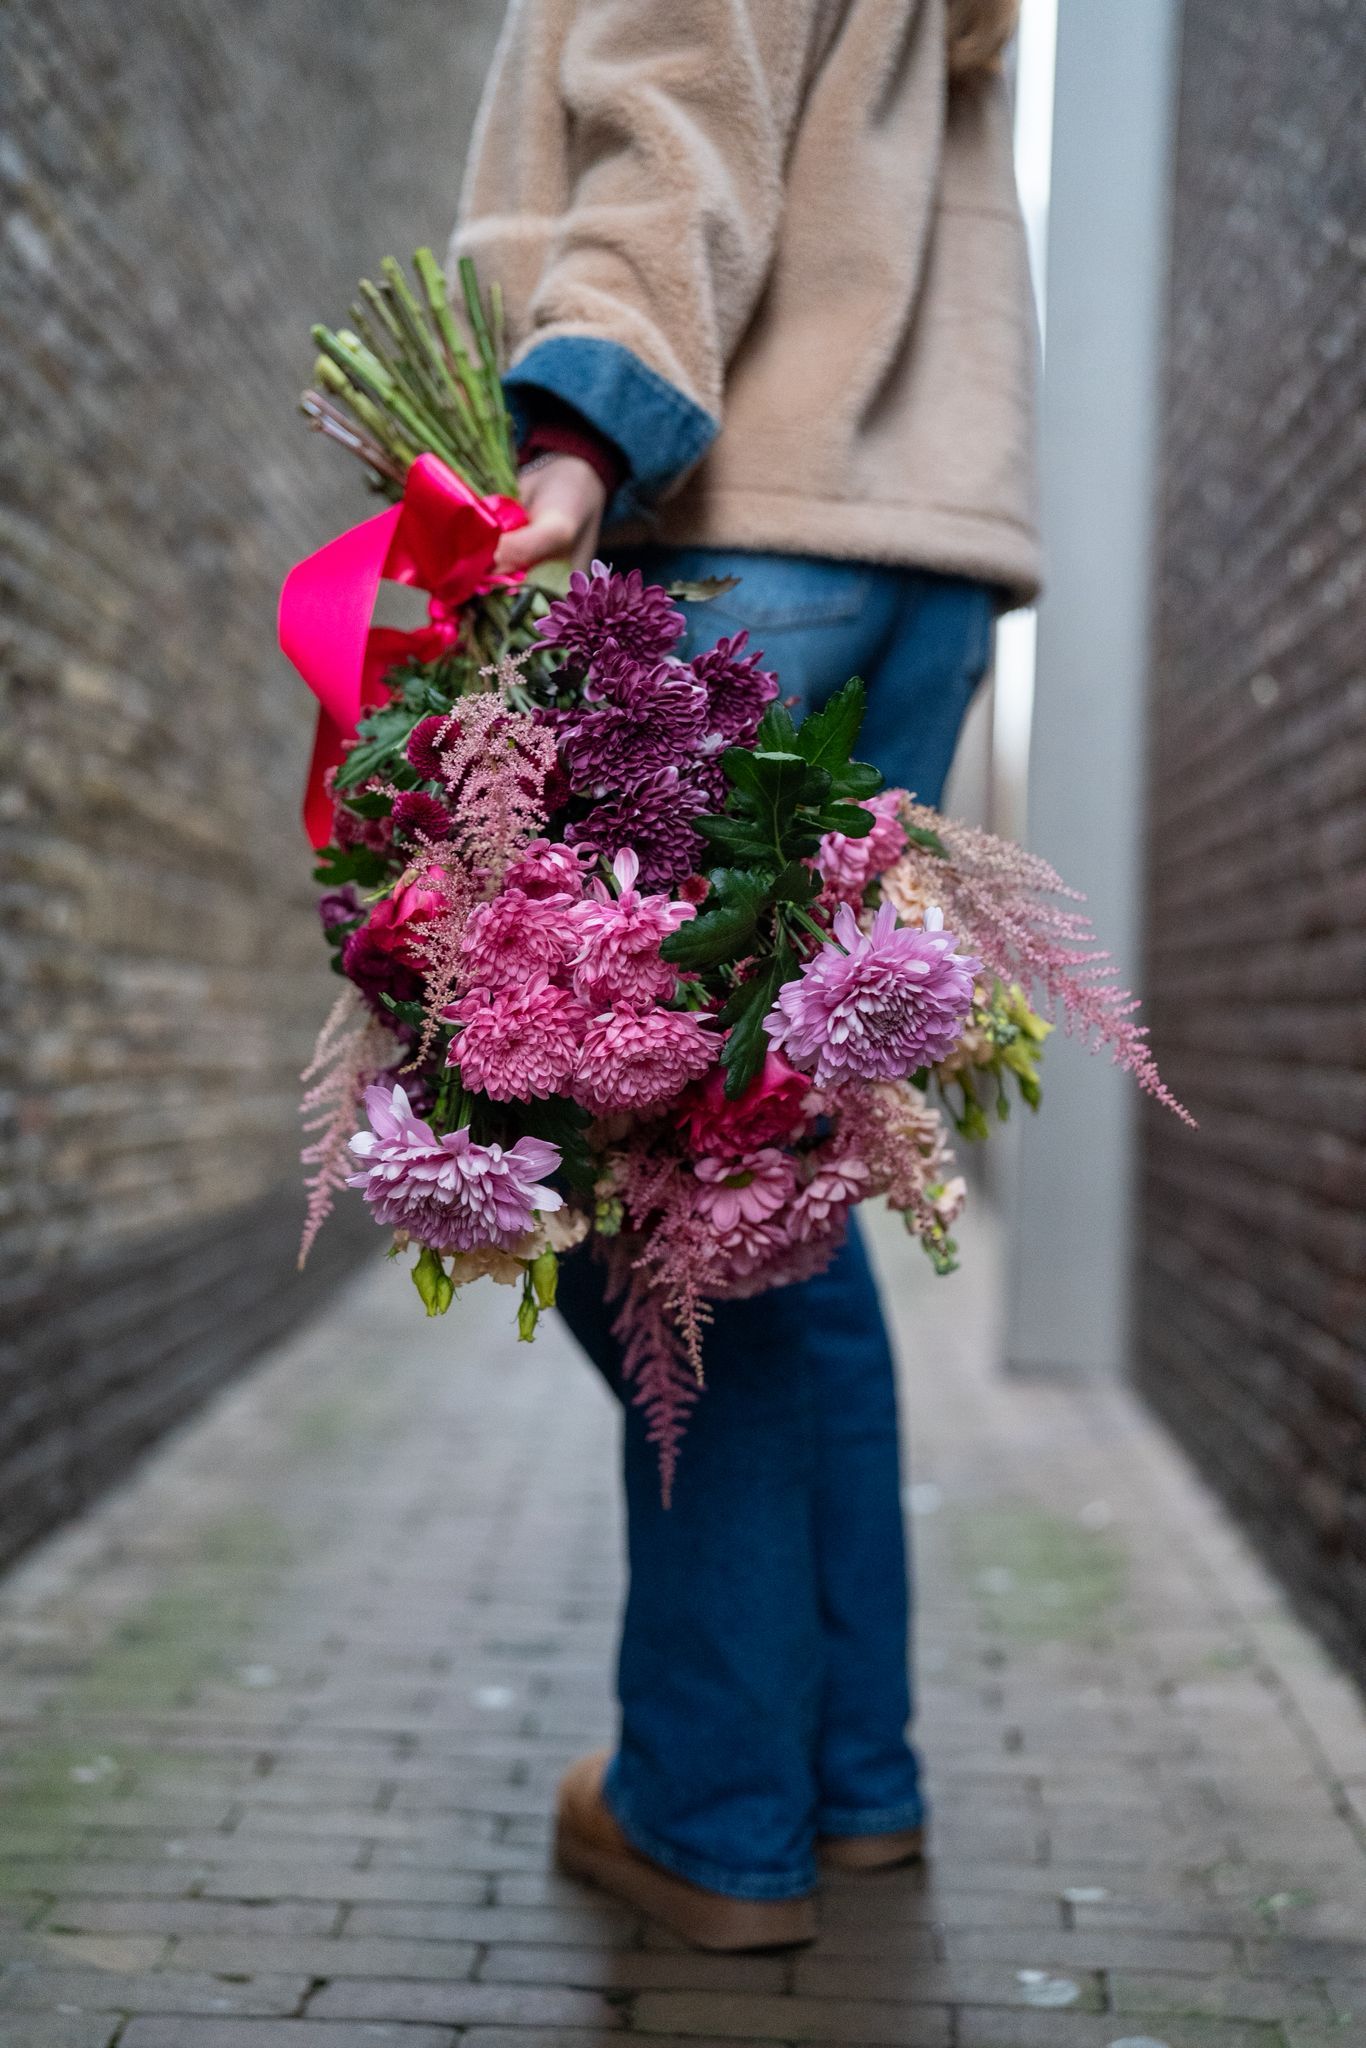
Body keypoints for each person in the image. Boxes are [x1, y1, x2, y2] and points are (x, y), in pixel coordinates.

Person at [453, 0, 1038, 1951]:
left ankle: (709, 1810)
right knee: (788, 1188)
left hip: (730, 524)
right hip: (921, 556)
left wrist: (574, 420)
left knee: (672, 1222)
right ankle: (845, 1778)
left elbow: (681, 88)